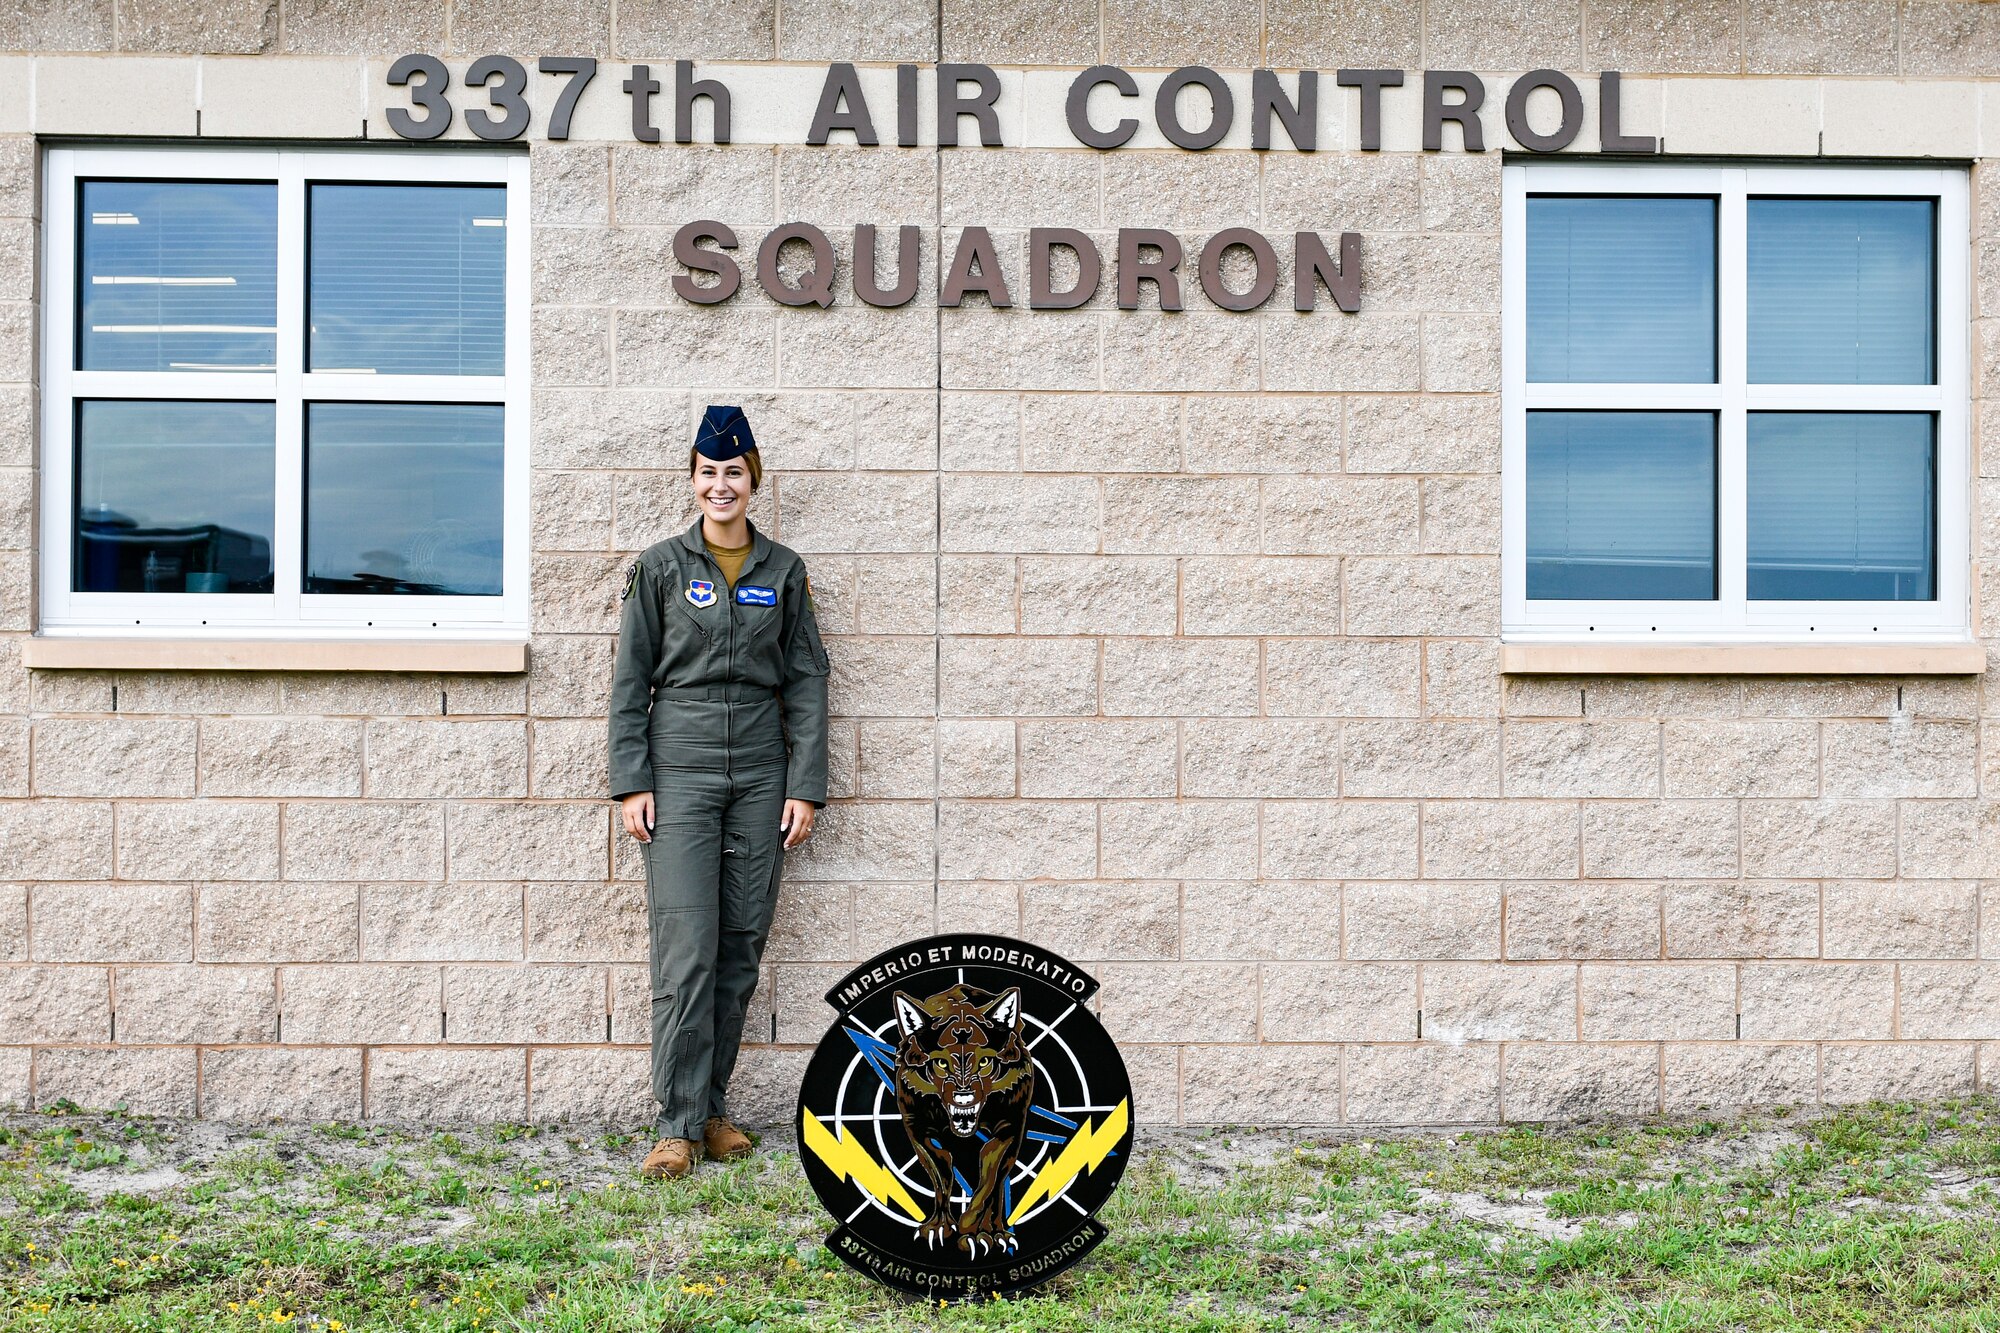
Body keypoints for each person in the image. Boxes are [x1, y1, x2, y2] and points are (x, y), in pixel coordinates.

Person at [608, 404, 831, 1179]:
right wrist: (632, 779)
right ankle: (674, 1121)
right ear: (693, 482)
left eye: (734, 472)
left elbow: (806, 680)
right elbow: (631, 679)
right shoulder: (662, 567)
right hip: (683, 764)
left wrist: (805, 784)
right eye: (708, 473)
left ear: (753, 480)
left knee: (739, 945)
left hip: (763, 770)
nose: (721, 485)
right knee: (687, 951)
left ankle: (711, 1111)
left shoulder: (784, 569)